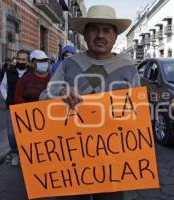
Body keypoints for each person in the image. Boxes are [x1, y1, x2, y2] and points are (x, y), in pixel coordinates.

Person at [41, 5, 140, 200]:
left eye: (107, 30)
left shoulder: (128, 68)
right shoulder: (69, 64)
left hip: (113, 162)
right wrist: (61, 91)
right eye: (94, 29)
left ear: (115, 36)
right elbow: (44, 96)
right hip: (71, 161)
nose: (100, 35)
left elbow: (138, 113)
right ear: (85, 34)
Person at [0, 50, 30, 166]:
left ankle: (25, 155)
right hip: (12, 108)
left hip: (27, 108)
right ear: (16, 59)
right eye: (19, 59)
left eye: (23, 60)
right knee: (12, 133)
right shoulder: (9, 72)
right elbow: (3, 87)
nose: (21, 61)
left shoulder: (31, 73)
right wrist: (7, 98)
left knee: (27, 133)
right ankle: (16, 153)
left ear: (27, 61)